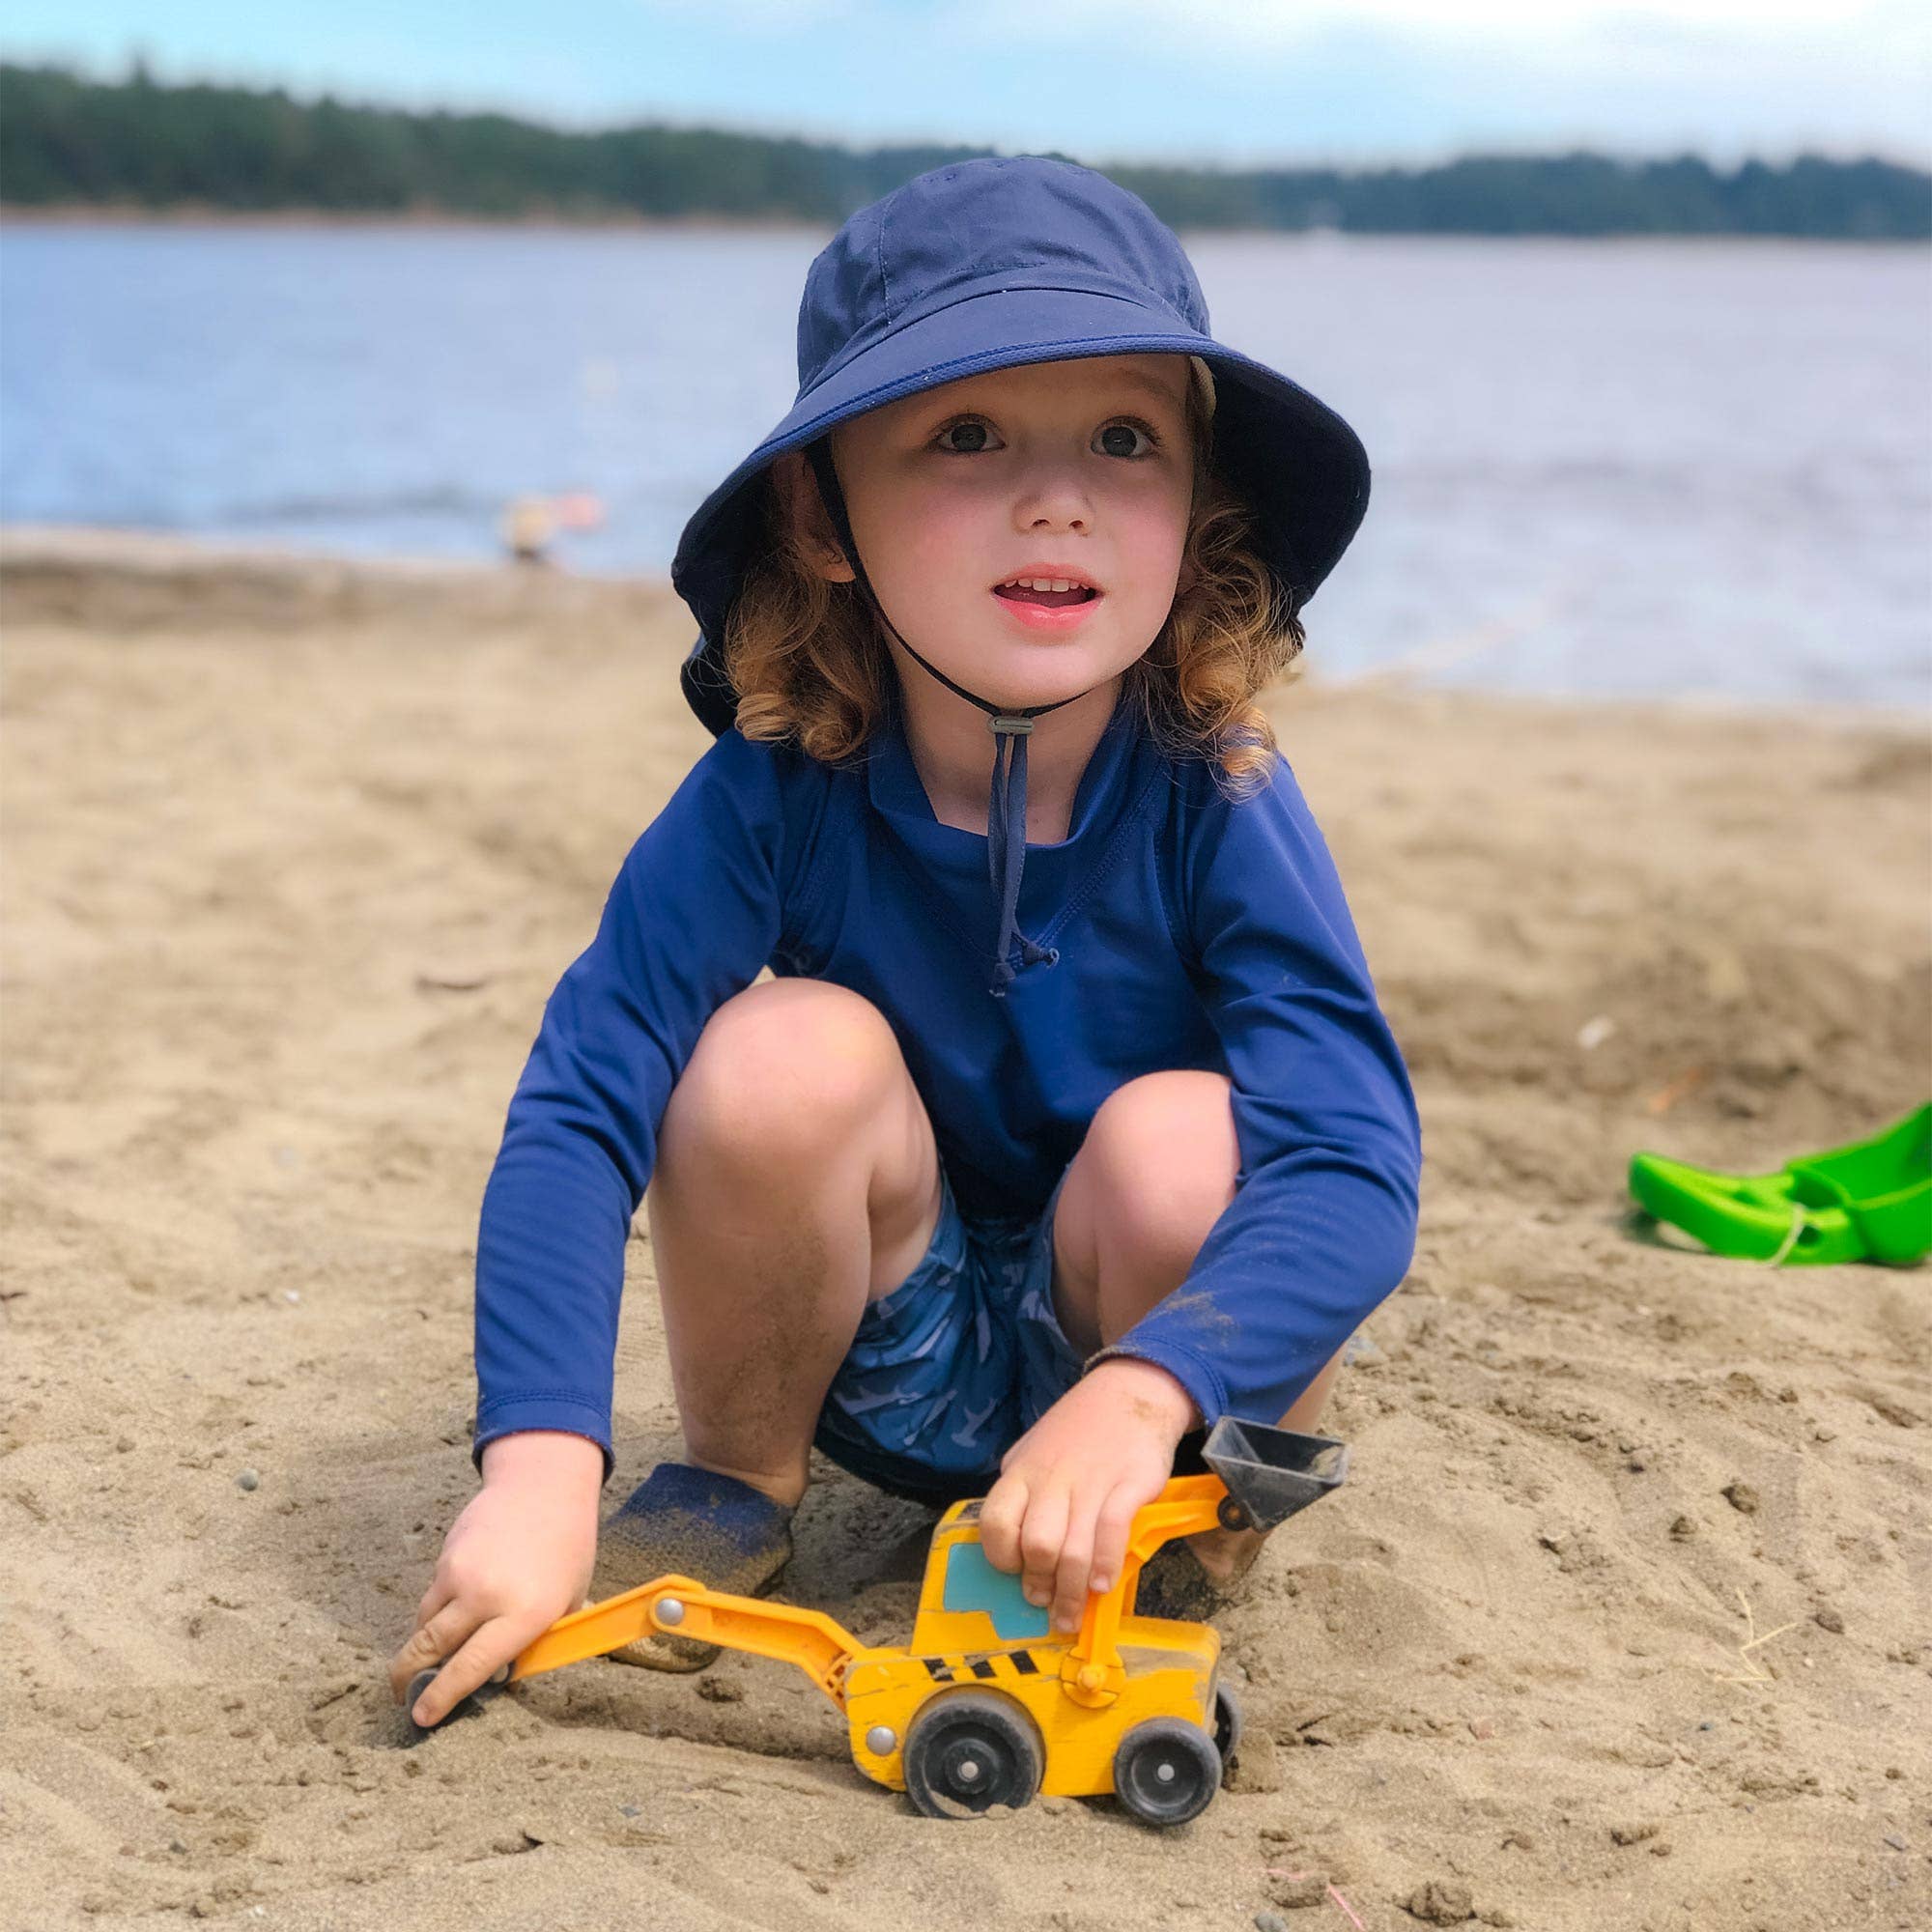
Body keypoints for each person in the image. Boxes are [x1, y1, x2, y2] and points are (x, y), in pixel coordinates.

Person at [390, 156, 1421, 1723]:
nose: (1057, 493)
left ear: (1200, 505)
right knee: (771, 1056)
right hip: (886, 1329)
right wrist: (538, 1469)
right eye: (965, 434)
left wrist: (1146, 1390)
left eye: (1125, 439)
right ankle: (743, 1480)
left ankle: (1171, 1539)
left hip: (1150, 1360)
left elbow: (1357, 1166)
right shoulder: (774, 787)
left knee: (1187, 1143)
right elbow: (580, 1101)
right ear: (820, 514)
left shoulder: (1221, 792)